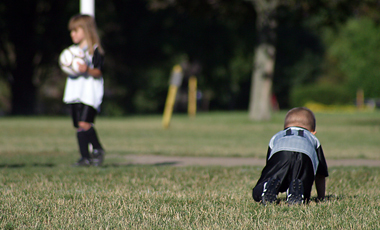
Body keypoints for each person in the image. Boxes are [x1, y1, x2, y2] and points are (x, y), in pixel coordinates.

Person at [252, 107, 328, 205]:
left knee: (260, 188)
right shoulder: (313, 139)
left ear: (285, 127)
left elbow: (270, 163)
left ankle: (267, 187)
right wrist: (321, 197)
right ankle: (296, 192)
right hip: (304, 156)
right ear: (313, 132)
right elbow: (320, 174)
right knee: (302, 186)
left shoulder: (278, 136)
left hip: (281, 155)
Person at [62, 14, 105, 166]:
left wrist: (86, 69)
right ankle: (84, 158)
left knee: (85, 123)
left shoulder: (94, 50)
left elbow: (99, 71)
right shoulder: (71, 52)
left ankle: (98, 149)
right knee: (79, 126)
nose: (72, 34)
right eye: (71, 31)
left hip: (89, 93)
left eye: (75, 30)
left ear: (86, 30)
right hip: (74, 93)